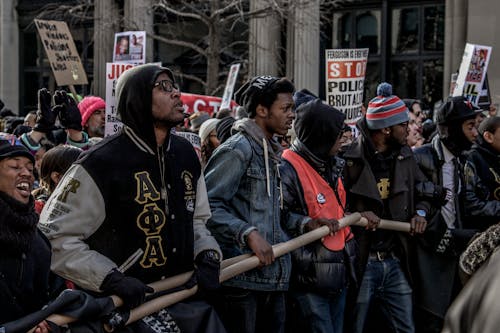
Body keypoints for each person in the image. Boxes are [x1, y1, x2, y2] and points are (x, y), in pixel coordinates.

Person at [39, 64, 224, 332]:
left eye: (174, 87)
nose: (176, 94)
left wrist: (206, 252)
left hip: (181, 297)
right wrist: (110, 278)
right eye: (163, 87)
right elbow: (55, 236)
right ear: (137, 98)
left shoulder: (185, 153)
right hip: (123, 310)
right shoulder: (99, 163)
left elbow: (196, 219)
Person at [204, 75, 297, 333]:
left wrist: (308, 222)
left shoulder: (273, 153)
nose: (292, 115)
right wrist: (248, 234)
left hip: (274, 277)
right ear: (261, 110)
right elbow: (208, 206)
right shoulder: (238, 149)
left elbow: (275, 215)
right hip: (243, 281)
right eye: (285, 108)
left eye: (293, 108)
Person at [279, 98, 378, 333]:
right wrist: (306, 223)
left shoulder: (333, 163)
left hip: (338, 273)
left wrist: (355, 215)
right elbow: (280, 217)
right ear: (320, 135)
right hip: (309, 280)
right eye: (337, 132)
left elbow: (335, 209)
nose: (343, 137)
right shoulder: (286, 170)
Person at [342, 82, 429, 333]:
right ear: (386, 129)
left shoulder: (405, 155)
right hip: (362, 262)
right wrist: (355, 215)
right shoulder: (349, 160)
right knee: (355, 326)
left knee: (406, 328)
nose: (410, 128)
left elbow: (424, 192)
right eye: (403, 124)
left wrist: (420, 213)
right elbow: (334, 207)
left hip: (394, 261)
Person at [412, 95, 482, 333]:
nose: (476, 133)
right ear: (449, 130)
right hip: (427, 254)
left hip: (455, 251)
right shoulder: (420, 157)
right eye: (470, 127)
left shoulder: (464, 161)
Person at [0, 134, 54, 332]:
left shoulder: (39, 240)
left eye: (30, 169)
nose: (27, 174)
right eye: (15, 167)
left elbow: (51, 293)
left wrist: (46, 320)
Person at [463, 116, 500, 231]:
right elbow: (470, 203)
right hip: (482, 232)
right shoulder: (473, 159)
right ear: (488, 137)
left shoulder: (497, 155)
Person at [32, 145, 82, 214]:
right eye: (78, 173)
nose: (84, 178)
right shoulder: (40, 209)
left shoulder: (83, 203)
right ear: (56, 177)